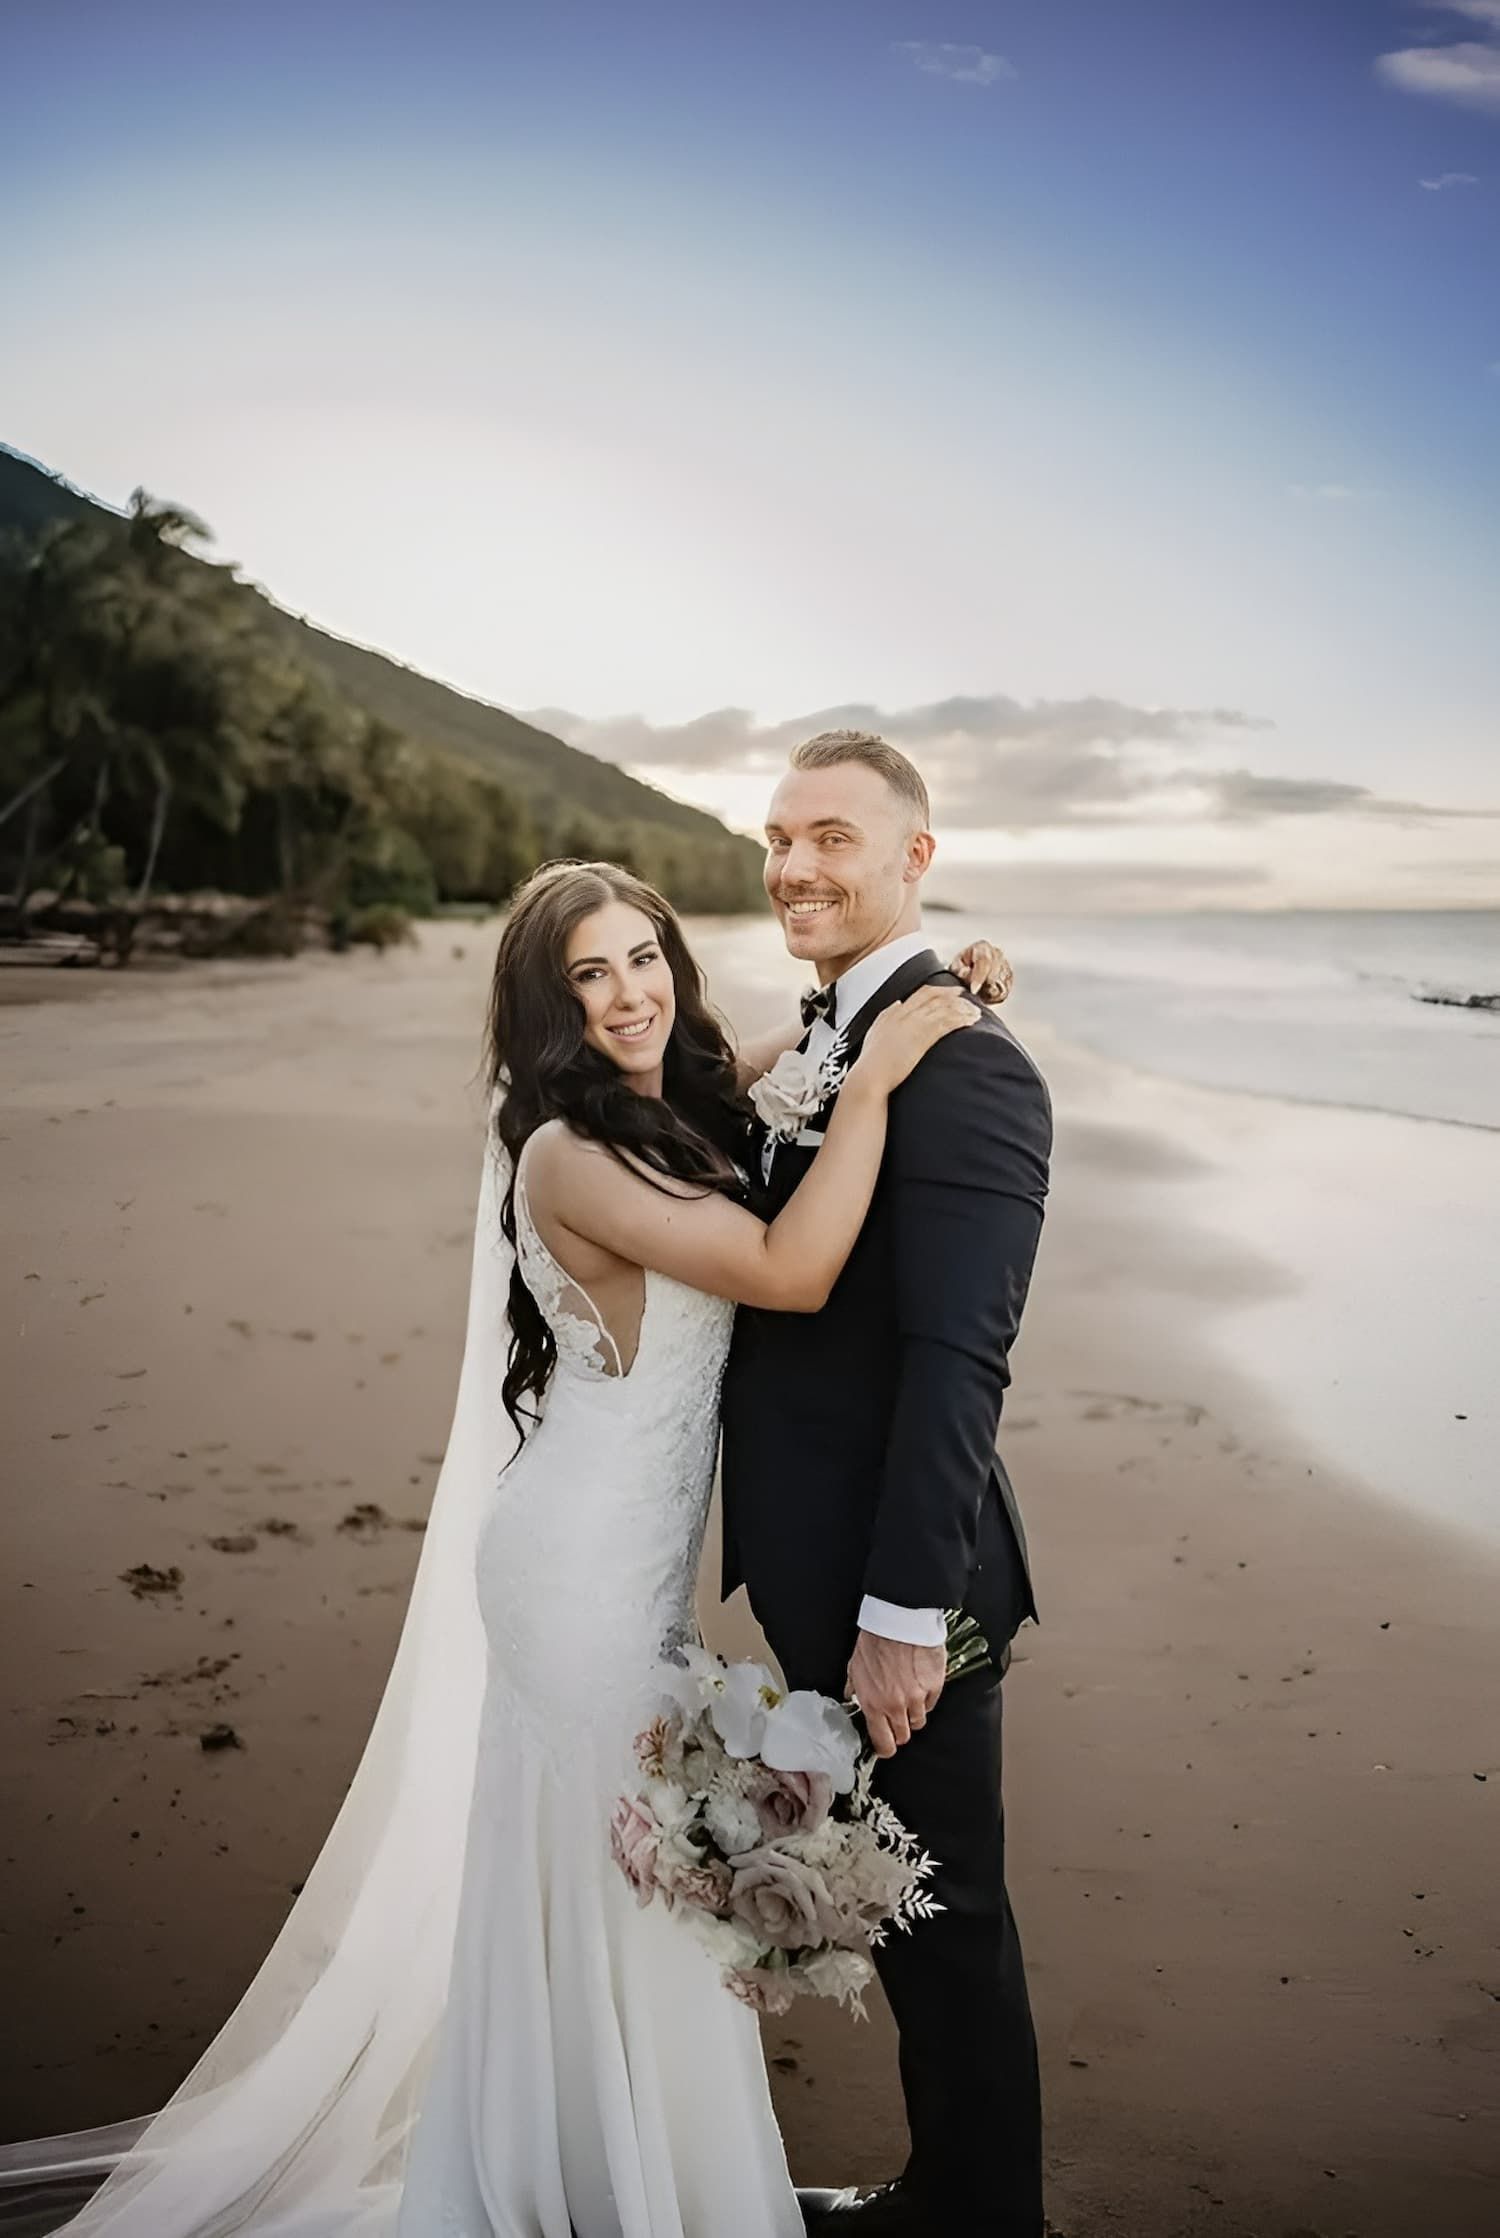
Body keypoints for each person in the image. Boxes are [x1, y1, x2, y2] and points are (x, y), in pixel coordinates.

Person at [0, 854, 1012, 2238]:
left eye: (643, 957)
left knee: (617, 1882)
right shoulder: (567, 1151)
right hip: (579, 1571)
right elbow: (795, 1271)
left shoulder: (668, 1103)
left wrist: (925, 988)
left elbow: (785, 1060)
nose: (627, 992)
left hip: (625, 1561)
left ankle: (604, 2168)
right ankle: (619, 2191)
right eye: (589, 974)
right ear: (549, 1006)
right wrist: (885, 1082)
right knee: (626, 1885)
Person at [721, 729, 1052, 2236]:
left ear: (917, 856)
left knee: (945, 1915)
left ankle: (984, 2214)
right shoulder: (837, 1035)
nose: (796, 865)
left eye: (835, 838)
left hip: (901, 1584)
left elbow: (956, 1360)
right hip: (817, 1564)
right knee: (908, 1906)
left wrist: (904, 1611)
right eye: (780, 837)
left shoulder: (966, 1068)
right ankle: (953, 2195)